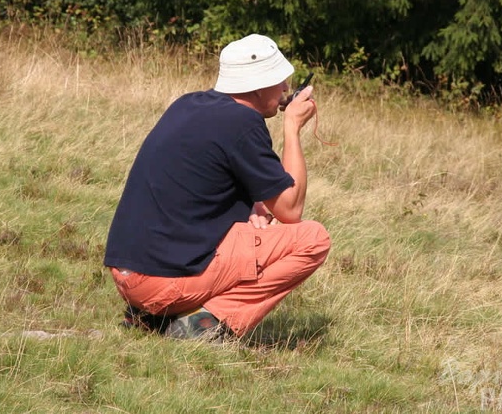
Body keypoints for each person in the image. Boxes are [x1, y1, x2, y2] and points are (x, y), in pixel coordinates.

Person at [104, 33, 331, 341]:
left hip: (129, 274)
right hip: (160, 283)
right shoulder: (242, 122)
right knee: (313, 239)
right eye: (280, 82)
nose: (286, 91)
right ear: (258, 84)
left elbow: (206, 180)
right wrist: (292, 128)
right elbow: (291, 209)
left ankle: (153, 317)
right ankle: (206, 325)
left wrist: (254, 204)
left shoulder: (189, 104)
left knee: (259, 217)